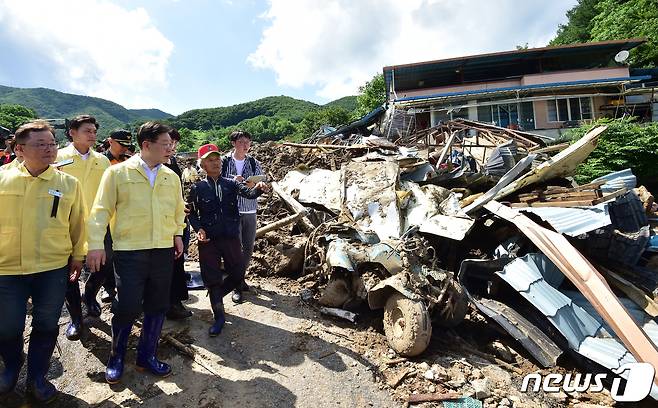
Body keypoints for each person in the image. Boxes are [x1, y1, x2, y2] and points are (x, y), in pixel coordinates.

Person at [86, 122, 186, 384]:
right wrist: (95, 244)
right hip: (130, 251)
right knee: (128, 305)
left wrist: (177, 233)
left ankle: (146, 355)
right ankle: (116, 356)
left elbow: (178, 210)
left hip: (163, 251)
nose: (171, 149)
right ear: (146, 145)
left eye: (171, 144)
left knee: (158, 304)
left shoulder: (171, 176)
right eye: (165, 144)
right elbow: (100, 212)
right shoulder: (117, 173)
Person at [0, 120, 86, 403]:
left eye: (52, 143)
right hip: (7, 268)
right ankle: (12, 366)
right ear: (20, 149)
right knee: (8, 325)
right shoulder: (2, 178)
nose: (50, 149)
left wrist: (78, 255)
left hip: (52, 267)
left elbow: (77, 224)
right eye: (41, 144)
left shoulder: (67, 183)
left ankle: (38, 376)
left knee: (47, 323)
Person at [188, 143, 268, 336]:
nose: (216, 163)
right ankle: (219, 316)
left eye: (217, 159)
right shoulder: (197, 188)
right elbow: (191, 214)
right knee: (212, 278)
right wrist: (198, 229)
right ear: (203, 165)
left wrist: (259, 188)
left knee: (239, 272)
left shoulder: (231, 183)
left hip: (231, 237)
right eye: (210, 160)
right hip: (208, 241)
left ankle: (217, 296)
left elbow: (249, 193)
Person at [56, 115, 112, 340]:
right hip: (66, 224)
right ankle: (76, 318)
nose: (92, 135)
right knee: (69, 272)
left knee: (105, 265)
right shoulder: (58, 158)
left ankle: (89, 295)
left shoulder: (102, 160)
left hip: (99, 222)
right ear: (72, 132)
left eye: (94, 131)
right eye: (87, 130)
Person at [220, 130, 265, 304]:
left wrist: (258, 184)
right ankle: (236, 286)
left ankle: (239, 278)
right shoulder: (224, 161)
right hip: (231, 212)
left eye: (248, 142)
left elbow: (262, 180)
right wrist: (234, 180)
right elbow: (216, 180)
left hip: (250, 210)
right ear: (233, 143)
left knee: (248, 249)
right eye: (241, 142)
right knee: (234, 250)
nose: (245, 145)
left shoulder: (253, 162)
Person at [163, 128, 192, 320]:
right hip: (164, 222)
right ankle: (170, 304)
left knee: (177, 262)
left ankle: (174, 302)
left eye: (174, 144)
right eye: (169, 143)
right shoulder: (156, 165)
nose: (172, 147)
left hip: (177, 217)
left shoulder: (172, 162)